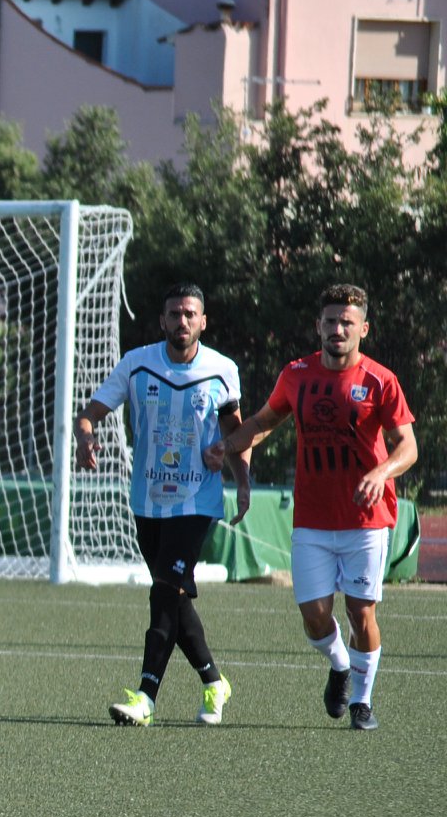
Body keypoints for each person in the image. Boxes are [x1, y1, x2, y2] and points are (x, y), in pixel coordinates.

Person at [206, 283, 418, 731]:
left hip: (366, 521)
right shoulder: (297, 374)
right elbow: (264, 422)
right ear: (317, 326)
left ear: (364, 328)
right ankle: (340, 665)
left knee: (362, 612)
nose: (337, 329)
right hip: (313, 520)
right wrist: (225, 446)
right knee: (315, 616)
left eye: (347, 322)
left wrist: (381, 473)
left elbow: (408, 448)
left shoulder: (381, 381)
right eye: (330, 321)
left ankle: (362, 701)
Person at [75, 283, 243, 727]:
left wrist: (237, 473)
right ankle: (213, 681)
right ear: (162, 321)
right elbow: (90, 413)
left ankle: (145, 696)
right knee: (176, 597)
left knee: (164, 591)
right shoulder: (136, 364)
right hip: (147, 500)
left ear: (203, 321)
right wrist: (85, 437)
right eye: (174, 314)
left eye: (190, 313)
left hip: (197, 499)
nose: (182, 321)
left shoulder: (222, 369)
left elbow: (236, 433)